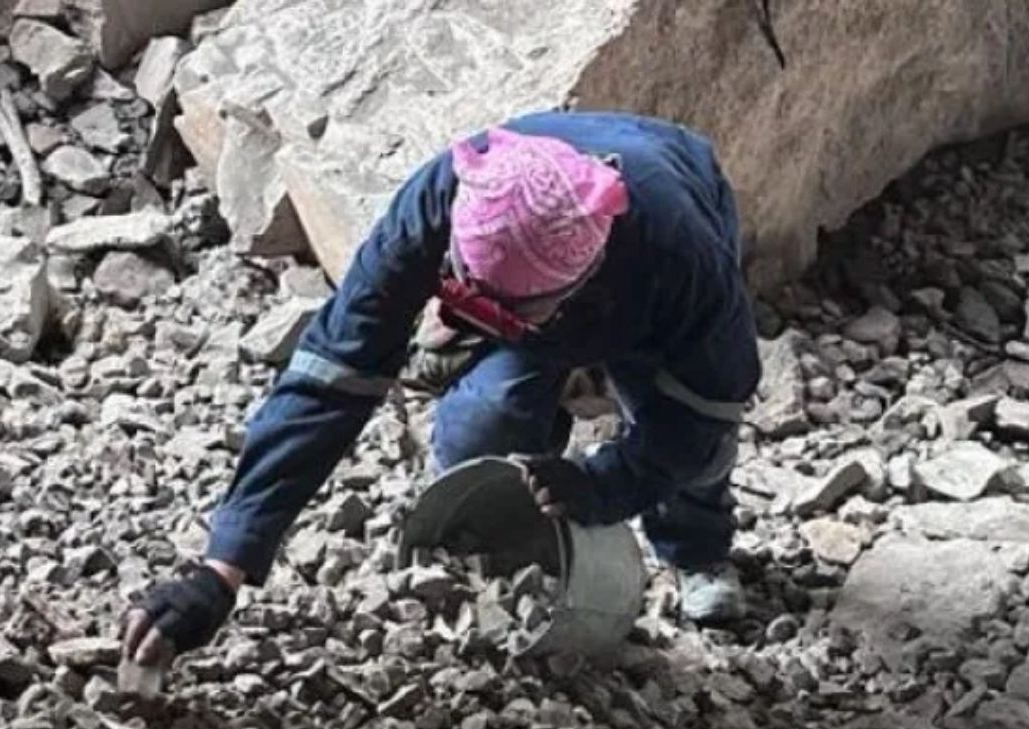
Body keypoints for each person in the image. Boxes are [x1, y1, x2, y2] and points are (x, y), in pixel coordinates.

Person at [121, 111, 761, 668]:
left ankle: (697, 549)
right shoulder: (438, 204)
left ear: (578, 285)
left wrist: (606, 485)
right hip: (536, 275)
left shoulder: (683, 259)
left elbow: (706, 409)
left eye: (508, 314)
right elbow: (331, 377)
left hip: (663, 213)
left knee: (688, 439)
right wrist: (223, 565)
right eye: (467, 292)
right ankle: (514, 551)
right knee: (483, 421)